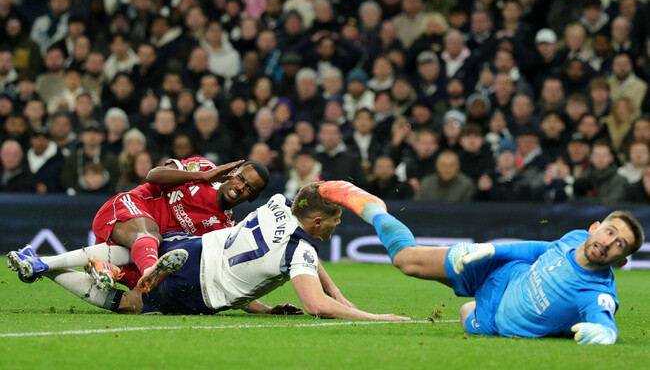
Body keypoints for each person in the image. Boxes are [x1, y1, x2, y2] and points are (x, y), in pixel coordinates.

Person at [11, 183, 407, 321]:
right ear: (317, 223)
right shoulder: (299, 251)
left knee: (133, 252)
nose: (339, 224)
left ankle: (44, 261)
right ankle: (49, 270)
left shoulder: (278, 203)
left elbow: (310, 204)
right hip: (197, 289)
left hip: (196, 247)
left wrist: (338, 292)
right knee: (129, 302)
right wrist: (373, 316)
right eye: (336, 219)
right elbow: (315, 305)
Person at [318, 181, 645, 344]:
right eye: (610, 231)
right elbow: (537, 250)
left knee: (466, 312)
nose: (609, 242)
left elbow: (603, 318)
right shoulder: (575, 238)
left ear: (620, 260)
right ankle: (373, 207)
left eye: (619, 244)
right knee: (407, 260)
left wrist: (606, 333)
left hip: (491, 319)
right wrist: (489, 250)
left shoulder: (596, 292)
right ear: (594, 228)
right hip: (501, 271)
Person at [9, 158, 269, 293]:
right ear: (233, 173)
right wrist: (202, 175)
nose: (240, 187)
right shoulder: (203, 168)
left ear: (253, 198)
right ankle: (150, 274)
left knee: (138, 298)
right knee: (150, 235)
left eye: (249, 188)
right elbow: (153, 175)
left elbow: (225, 278)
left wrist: (265, 309)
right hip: (132, 207)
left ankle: (40, 264)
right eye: (240, 178)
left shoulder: (225, 228)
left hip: (142, 251)